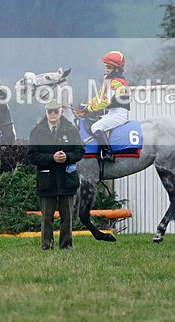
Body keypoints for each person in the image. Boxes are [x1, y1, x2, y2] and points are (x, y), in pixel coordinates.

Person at [26, 99, 84, 250]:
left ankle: (66, 245)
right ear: (45, 112)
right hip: (47, 180)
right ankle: (47, 245)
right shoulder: (36, 132)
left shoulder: (72, 130)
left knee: (67, 216)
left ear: (61, 112)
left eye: (55, 111)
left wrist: (67, 157)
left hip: (67, 180)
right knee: (47, 217)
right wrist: (51, 158)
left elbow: (80, 151)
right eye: (50, 111)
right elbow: (32, 156)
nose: (53, 114)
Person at [78, 50, 130, 162]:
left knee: (95, 127)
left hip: (119, 114)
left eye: (109, 67)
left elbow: (106, 101)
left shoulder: (118, 82)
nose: (106, 69)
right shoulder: (108, 79)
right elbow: (99, 97)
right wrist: (88, 104)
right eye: (106, 66)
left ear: (117, 69)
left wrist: (90, 108)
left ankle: (108, 153)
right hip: (111, 113)